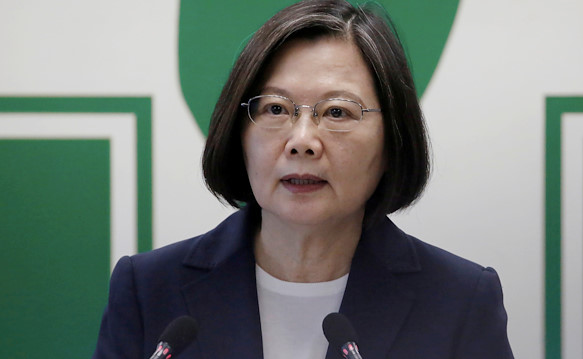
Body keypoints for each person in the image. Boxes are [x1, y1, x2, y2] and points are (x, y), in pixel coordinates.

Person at [93, 0, 514, 358]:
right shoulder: (149, 291)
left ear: (392, 142)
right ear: (239, 133)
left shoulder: (459, 301)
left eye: (337, 112)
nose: (302, 141)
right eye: (276, 109)